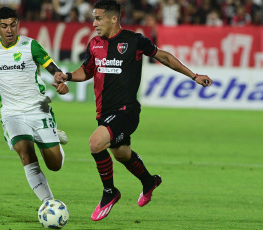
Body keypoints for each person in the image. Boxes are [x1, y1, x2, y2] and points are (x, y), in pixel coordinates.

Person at [54, 0, 213, 221]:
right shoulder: (94, 43)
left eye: (98, 18)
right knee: (121, 153)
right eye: (93, 18)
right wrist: (68, 76)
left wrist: (194, 76)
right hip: (105, 112)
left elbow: (163, 57)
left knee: (95, 143)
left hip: (127, 110)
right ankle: (149, 181)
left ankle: (110, 192)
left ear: (113, 18)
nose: (94, 23)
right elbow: (87, 70)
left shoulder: (134, 41)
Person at [0, 7, 69, 205]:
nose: (9, 30)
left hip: (38, 109)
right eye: (4, 26)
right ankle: (49, 204)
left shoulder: (31, 46)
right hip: (11, 113)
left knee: (55, 165)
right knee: (26, 152)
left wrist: (60, 78)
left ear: (18, 24)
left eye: (13, 25)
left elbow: (52, 67)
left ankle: (53, 133)